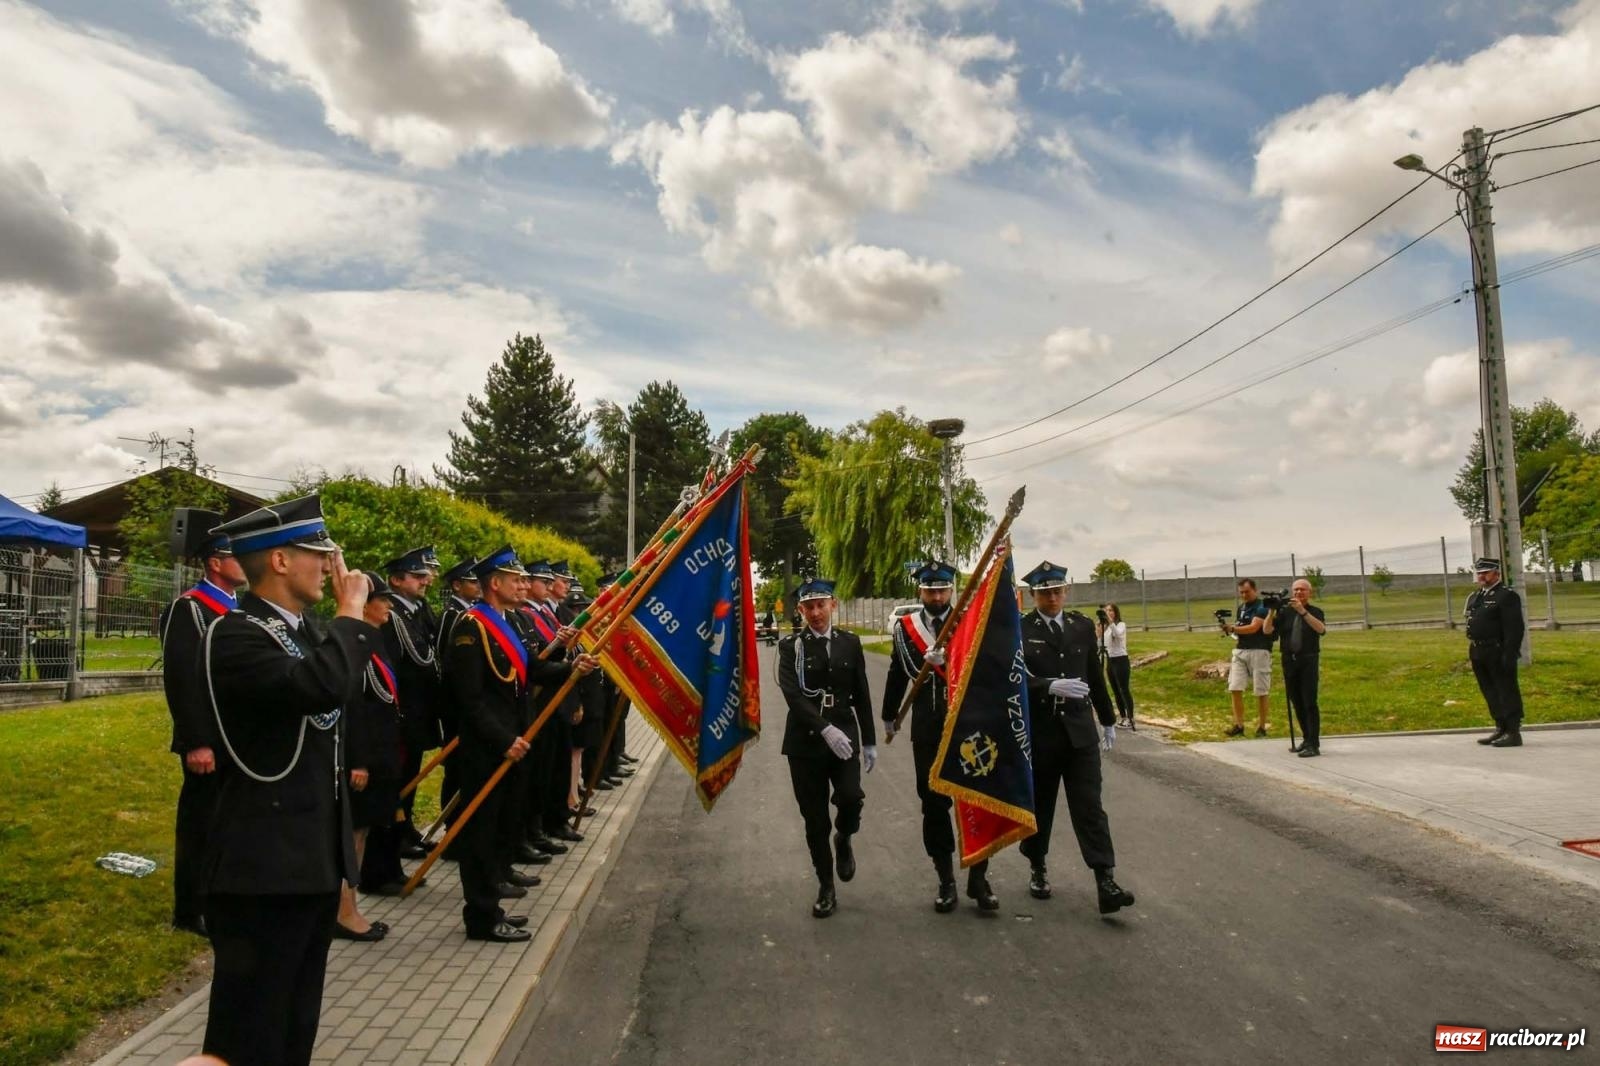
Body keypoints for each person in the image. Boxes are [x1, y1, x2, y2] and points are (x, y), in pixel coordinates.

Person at [197, 494, 374, 1066]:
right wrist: (350, 613)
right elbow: (318, 687)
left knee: (294, 1030)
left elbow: (339, 688)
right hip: (263, 873)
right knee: (251, 1037)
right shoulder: (237, 633)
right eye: (316, 552)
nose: (329, 565)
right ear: (277, 561)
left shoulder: (301, 631)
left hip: (307, 865)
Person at [445, 547, 596, 942]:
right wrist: (502, 740)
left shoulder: (505, 621)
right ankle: (480, 915)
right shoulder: (470, 625)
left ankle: (493, 904)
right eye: (517, 580)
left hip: (514, 741)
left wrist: (571, 668)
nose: (524, 585)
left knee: (500, 828)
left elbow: (531, 668)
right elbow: (469, 699)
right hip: (488, 747)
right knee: (480, 834)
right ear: (494, 583)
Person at [1018, 561, 1135, 915]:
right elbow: (1012, 680)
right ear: (1032, 596)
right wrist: (1046, 685)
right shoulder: (1021, 630)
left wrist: (1109, 719)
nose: (1052, 598)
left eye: (1057, 591)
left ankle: (1105, 880)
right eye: (1044, 593)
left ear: (1066, 591)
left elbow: (1094, 676)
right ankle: (1037, 865)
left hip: (1081, 732)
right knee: (1042, 806)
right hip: (1043, 732)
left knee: (1090, 807)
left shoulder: (1082, 626)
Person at [881, 560, 997, 913]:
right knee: (933, 804)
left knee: (975, 799)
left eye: (942, 589)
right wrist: (889, 715)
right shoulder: (905, 628)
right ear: (920, 590)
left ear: (951, 590)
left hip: (969, 725)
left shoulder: (969, 622)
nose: (936, 595)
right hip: (928, 728)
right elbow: (896, 672)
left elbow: (986, 670)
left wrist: (949, 663)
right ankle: (946, 879)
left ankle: (979, 877)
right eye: (929, 589)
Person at [157, 510, 246, 937]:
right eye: (236, 556)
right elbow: (182, 680)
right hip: (208, 740)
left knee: (229, 825)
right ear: (215, 562)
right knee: (201, 825)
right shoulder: (189, 609)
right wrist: (197, 741)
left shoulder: (237, 610)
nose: (244, 563)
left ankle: (222, 897)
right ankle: (191, 909)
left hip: (237, 739)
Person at [777, 578, 876, 918]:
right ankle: (826, 886)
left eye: (822, 604)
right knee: (815, 820)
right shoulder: (791, 647)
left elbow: (862, 693)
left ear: (833, 605)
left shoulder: (850, 643)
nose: (816, 612)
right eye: (809, 607)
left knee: (851, 797)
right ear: (800, 610)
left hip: (844, 735)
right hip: (805, 742)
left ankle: (845, 836)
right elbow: (793, 696)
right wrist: (823, 728)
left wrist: (871, 741)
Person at [340, 572, 404, 938]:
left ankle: (350, 906)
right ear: (365, 604)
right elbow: (354, 707)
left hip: (382, 750)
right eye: (383, 599)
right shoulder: (357, 642)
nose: (389, 605)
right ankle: (344, 912)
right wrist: (358, 760)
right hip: (364, 757)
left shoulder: (373, 639)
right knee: (353, 835)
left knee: (362, 833)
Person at [382, 548, 443, 860]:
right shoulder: (392, 617)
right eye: (418, 576)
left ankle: (406, 832)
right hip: (404, 713)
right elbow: (394, 669)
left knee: (412, 775)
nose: (427, 581)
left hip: (420, 712)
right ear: (396, 580)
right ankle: (396, 839)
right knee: (400, 780)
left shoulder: (417, 612)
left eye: (426, 575)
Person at [1465, 557, 1526, 748]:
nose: (1482, 576)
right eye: (1479, 573)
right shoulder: (1476, 597)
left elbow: (1515, 629)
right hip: (1478, 650)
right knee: (1489, 690)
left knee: (1505, 690)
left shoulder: (1506, 596)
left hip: (1497, 650)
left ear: (1497, 574)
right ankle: (1500, 727)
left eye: (1486, 572)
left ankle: (1513, 732)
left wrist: (1510, 653)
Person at [1264, 579, 1327, 757]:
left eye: (1302, 590)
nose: (1299, 593)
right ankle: (1306, 739)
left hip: (1308, 660)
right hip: (1289, 661)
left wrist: (1303, 611)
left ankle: (1314, 744)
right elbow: (1267, 631)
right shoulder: (1285, 613)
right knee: (1297, 702)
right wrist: (1271, 612)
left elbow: (1321, 629)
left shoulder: (1315, 612)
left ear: (1309, 592)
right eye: (1296, 590)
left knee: (1309, 702)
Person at [1221, 578, 1273, 737]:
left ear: (1254, 590)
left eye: (1247, 592)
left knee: (1261, 690)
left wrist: (1232, 628)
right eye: (1241, 592)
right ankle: (1239, 724)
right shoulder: (1241, 607)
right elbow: (1241, 627)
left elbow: (1253, 628)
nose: (1244, 595)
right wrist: (1232, 629)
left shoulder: (1263, 606)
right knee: (1235, 687)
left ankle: (1262, 726)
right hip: (1240, 650)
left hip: (1259, 650)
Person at [1098, 603, 1135, 729]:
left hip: (1121, 660)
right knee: (1115, 690)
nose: (1108, 612)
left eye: (1111, 610)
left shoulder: (1120, 625)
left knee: (1123, 689)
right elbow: (1100, 643)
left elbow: (1118, 634)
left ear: (1116, 612)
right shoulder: (1107, 628)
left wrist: (1109, 621)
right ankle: (1123, 716)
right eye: (1106, 610)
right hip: (1110, 660)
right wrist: (1099, 627)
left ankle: (1130, 718)